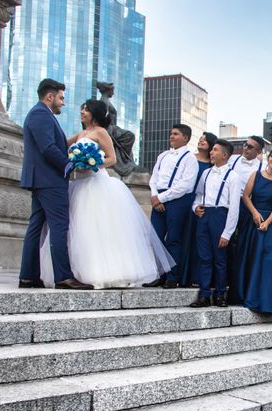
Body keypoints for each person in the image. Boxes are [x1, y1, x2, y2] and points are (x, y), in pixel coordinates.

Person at [41, 100, 175, 288]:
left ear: (94, 113)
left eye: (86, 109)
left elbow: (111, 158)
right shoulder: (81, 134)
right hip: (78, 184)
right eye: (82, 108)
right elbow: (61, 145)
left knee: (99, 228)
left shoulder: (101, 132)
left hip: (96, 182)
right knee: (78, 229)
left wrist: (91, 164)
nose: (82, 112)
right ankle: (77, 272)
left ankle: (105, 272)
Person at [19, 79, 93, 290]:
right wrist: (70, 165)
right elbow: (48, 148)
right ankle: (63, 276)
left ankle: (28, 276)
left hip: (42, 180)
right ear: (49, 96)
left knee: (36, 227)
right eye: (61, 98)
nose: (63, 102)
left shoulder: (41, 115)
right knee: (59, 226)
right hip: (49, 181)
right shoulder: (40, 114)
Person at [233, 147, 272, 313]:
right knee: (248, 257)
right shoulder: (255, 175)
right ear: (268, 157)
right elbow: (245, 196)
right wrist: (255, 213)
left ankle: (265, 300)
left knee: (267, 262)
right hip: (252, 220)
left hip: (269, 226)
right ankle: (244, 294)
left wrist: (267, 222)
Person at [145, 124, 199, 289]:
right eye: (171, 133)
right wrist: (155, 196)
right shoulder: (162, 155)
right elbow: (154, 177)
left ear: (185, 138)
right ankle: (159, 274)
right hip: (158, 198)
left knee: (174, 240)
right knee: (156, 238)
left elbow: (186, 185)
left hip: (177, 201)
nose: (171, 136)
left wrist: (161, 197)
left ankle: (172, 276)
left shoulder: (190, 159)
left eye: (175, 134)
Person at [189, 140, 241, 308]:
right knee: (204, 257)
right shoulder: (206, 174)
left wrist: (227, 232)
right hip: (205, 216)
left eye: (215, 150)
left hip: (221, 216)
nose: (211, 152)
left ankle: (220, 294)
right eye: (212, 150)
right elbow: (198, 196)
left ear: (224, 155)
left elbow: (234, 207)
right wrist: (195, 207)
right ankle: (204, 295)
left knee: (220, 259)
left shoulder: (233, 177)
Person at [226, 136, 266, 303]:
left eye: (250, 147)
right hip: (228, 204)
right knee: (224, 242)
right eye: (245, 145)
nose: (246, 148)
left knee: (242, 245)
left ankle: (239, 283)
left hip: (248, 208)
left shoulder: (262, 167)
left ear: (258, 152)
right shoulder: (232, 160)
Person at [178, 132, 217, 287]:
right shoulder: (189, 158)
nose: (201, 141)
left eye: (205, 140)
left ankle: (195, 276)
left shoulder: (212, 167)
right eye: (200, 139)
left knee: (198, 241)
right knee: (181, 237)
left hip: (201, 205)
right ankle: (179, 274)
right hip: (184, 200)